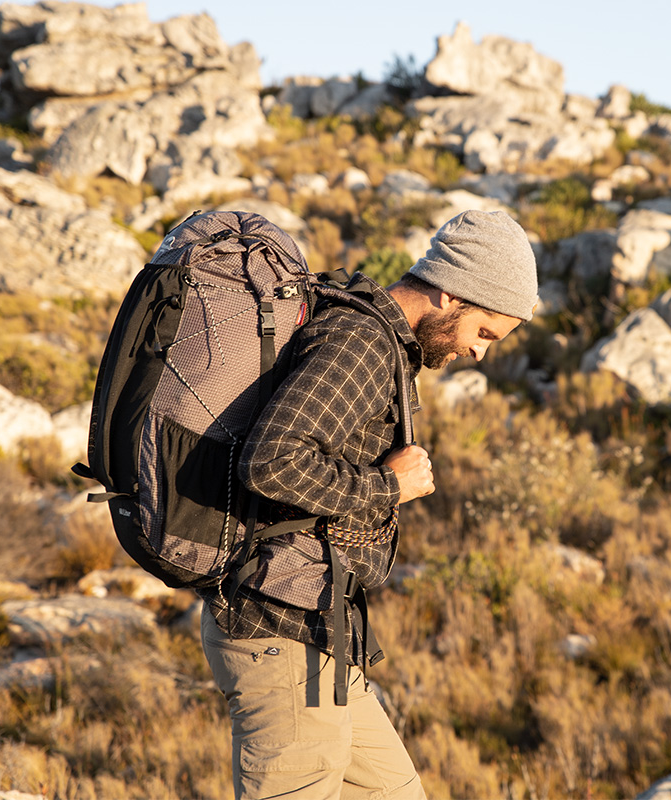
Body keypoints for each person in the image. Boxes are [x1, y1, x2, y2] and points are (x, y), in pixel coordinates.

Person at [198, 209, 538, 799]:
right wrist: (389, 486)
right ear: (451, 293)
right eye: (484, 333)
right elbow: (271, 461)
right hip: (278, 629)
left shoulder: (384, 344)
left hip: (321, 628)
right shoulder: (363, 346)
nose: (480, 353)